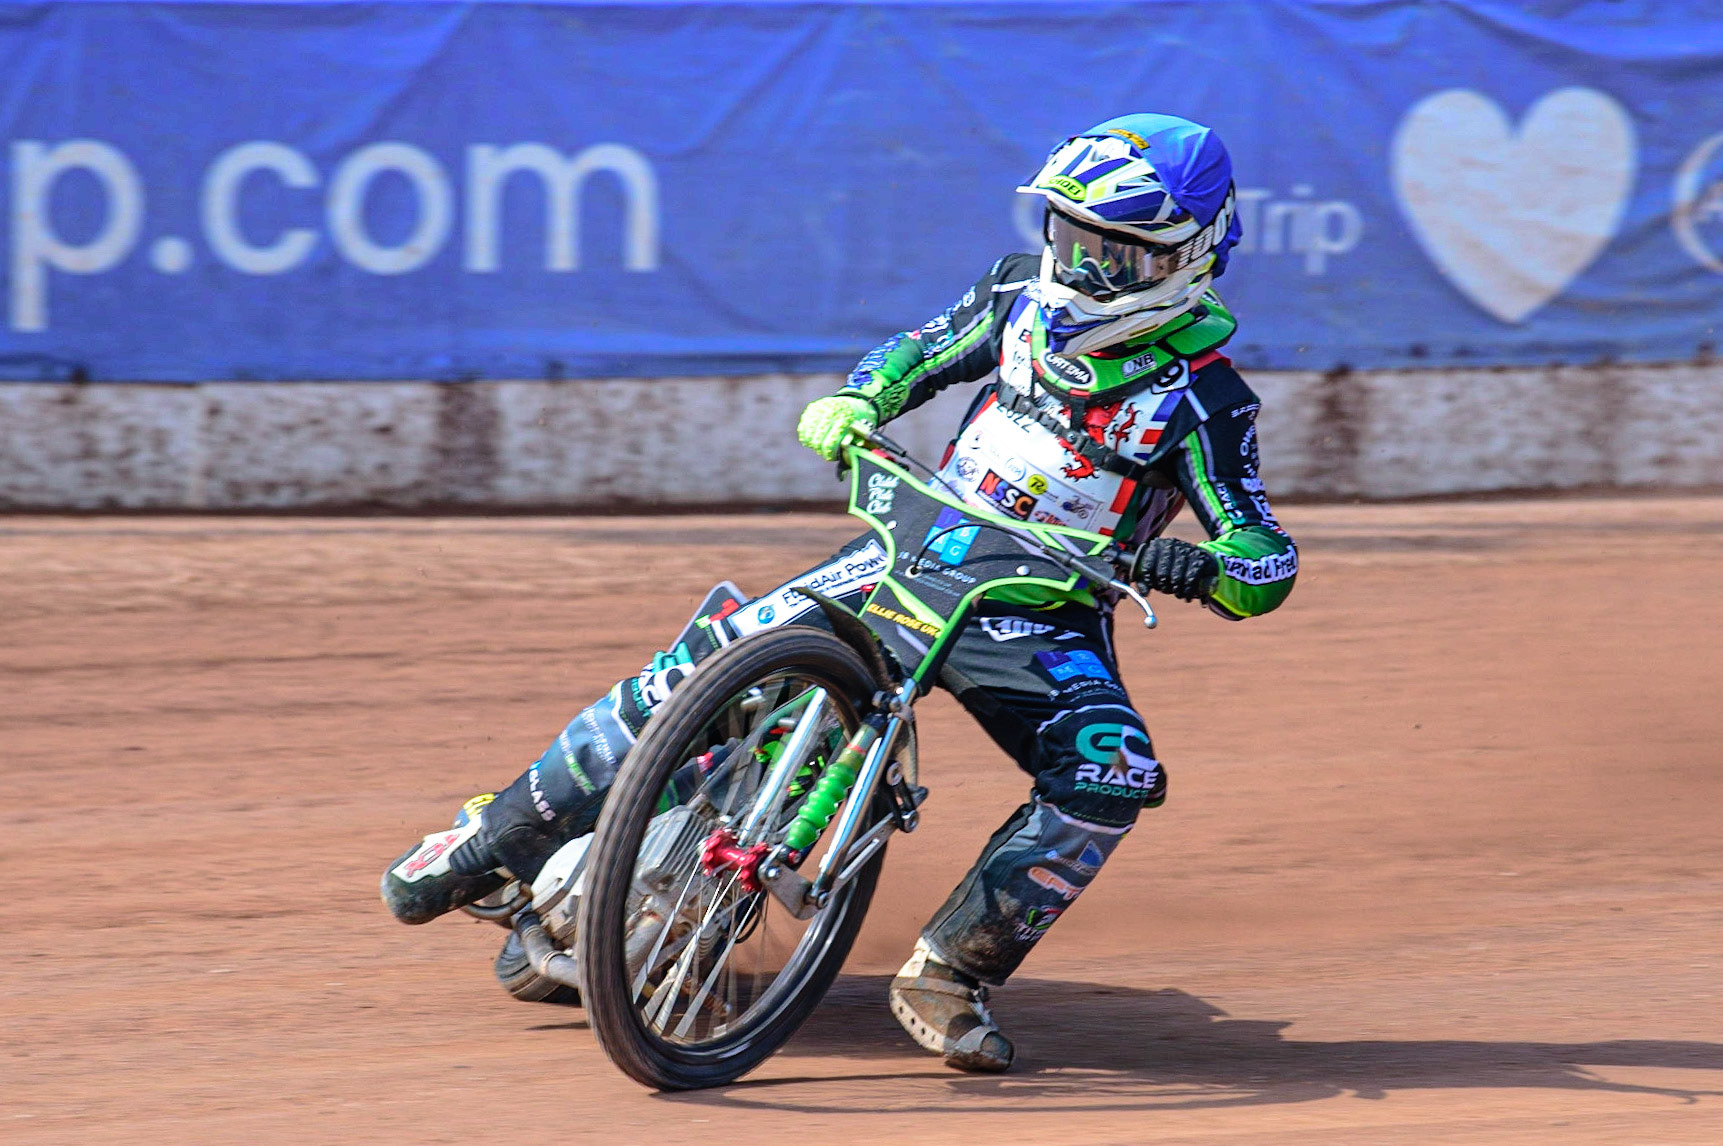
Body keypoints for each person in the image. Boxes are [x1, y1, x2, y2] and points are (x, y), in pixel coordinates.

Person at [381, 112, 1297, 1073]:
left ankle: (950, 971)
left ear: (1185, 259)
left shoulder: (1205, 401)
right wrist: (861, 397)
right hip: (919, 543)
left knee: (1108, 774)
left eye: (1115, 256)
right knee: (705, 660)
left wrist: (1210, 569)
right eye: (1070, 239)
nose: (1080, 268)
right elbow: (915, 352)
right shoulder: (1013, 297)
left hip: (1039, 611)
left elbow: (1264, 557)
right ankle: (494, 834)